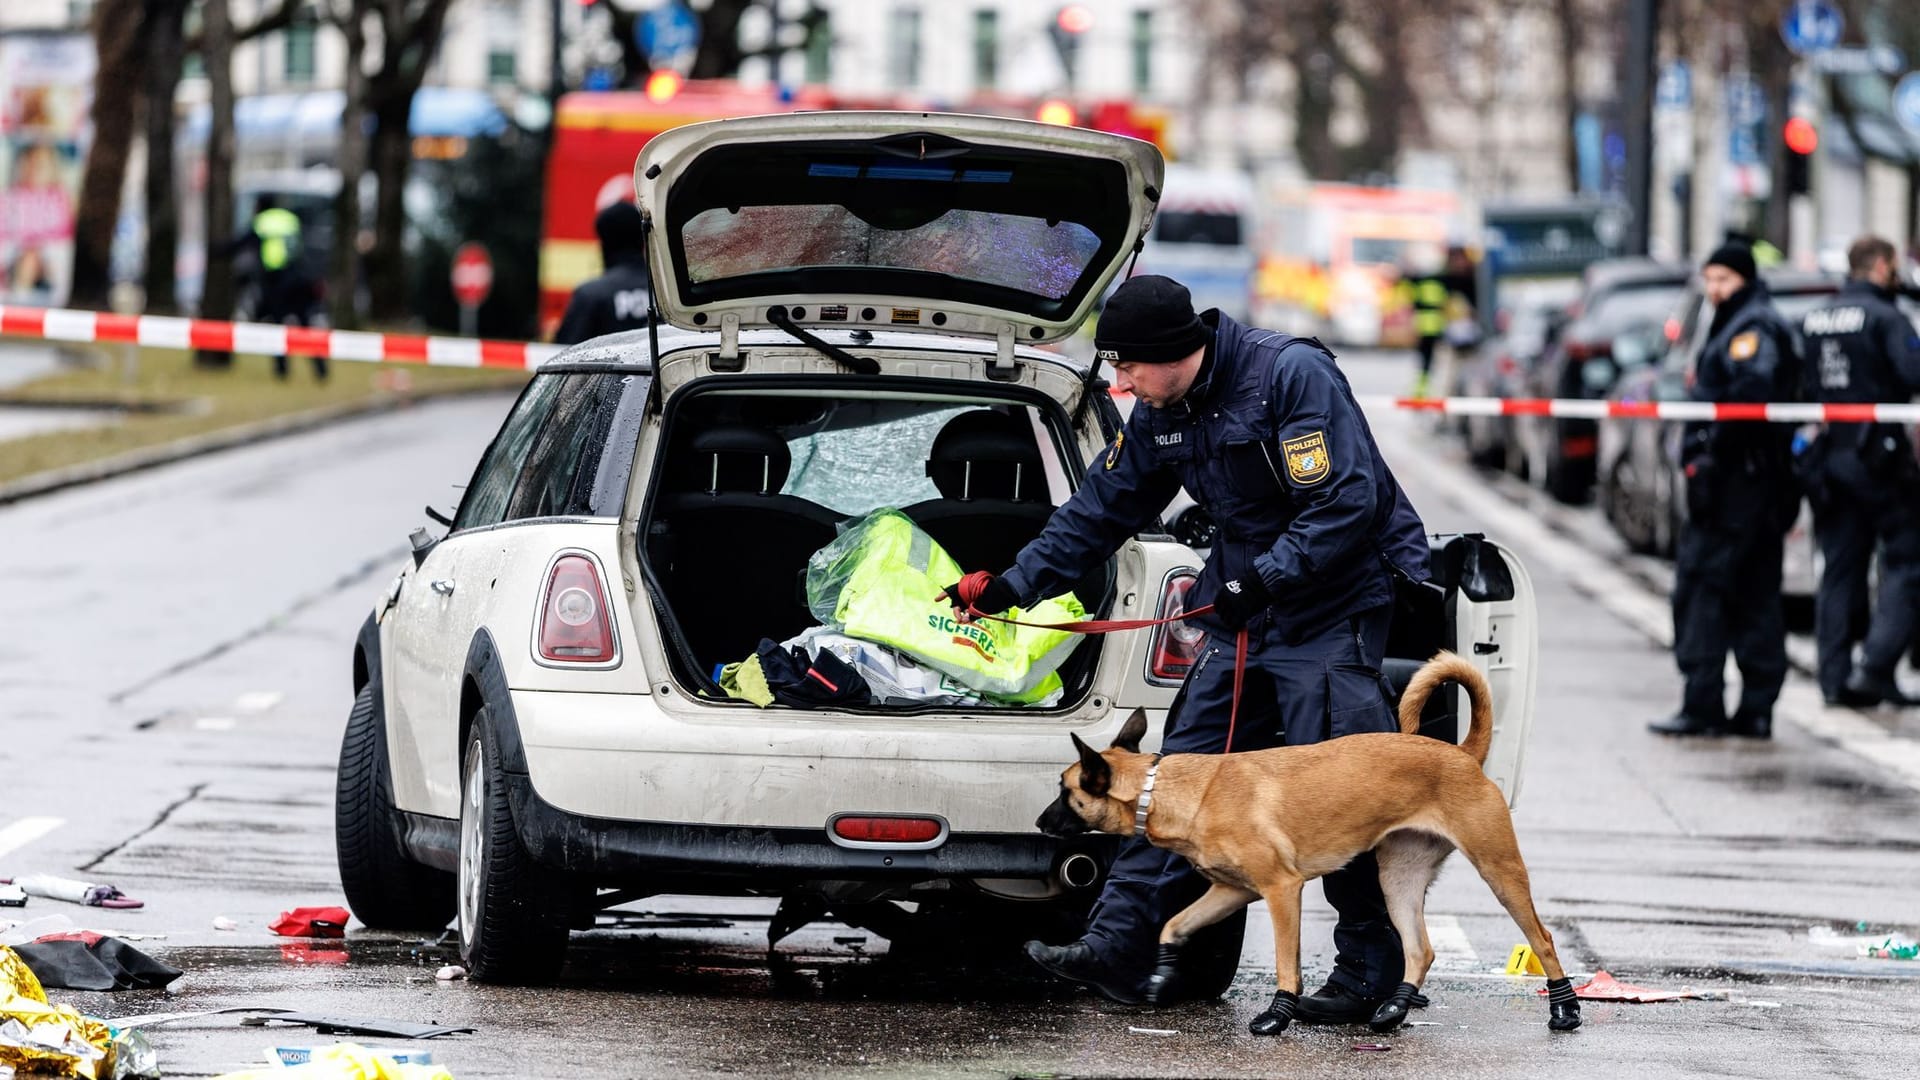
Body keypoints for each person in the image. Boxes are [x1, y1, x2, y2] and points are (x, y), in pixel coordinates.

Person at [945, 274, 1432, 1021]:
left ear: (1176, 352)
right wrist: (1014, 586)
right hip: (1243, 615)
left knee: (1341, 795)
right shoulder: (1161, 409)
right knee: (1164, 784)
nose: (1121, 383)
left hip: (1330, 611)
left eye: (1128, 367)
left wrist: (1263, 580)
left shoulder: (1287, 376)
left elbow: (1346, 501)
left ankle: (1367, 970)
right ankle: (1116, 946)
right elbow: (1102, 507)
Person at [1649, 243, 1799, 738]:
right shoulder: (1742, 321)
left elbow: (1749, 393)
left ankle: (1705, 703)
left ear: (1746, 280)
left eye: (1725, 281)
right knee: (1754, 592)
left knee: (1704, 590)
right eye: (1710, 279)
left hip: (1738, 487)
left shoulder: (1751, 328)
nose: (1715, 290)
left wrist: (1711, 456)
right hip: (1752, 485)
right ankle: (1754, 709)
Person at [1799, 235, 1920, 708]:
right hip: (1879, 459)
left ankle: (1834, 678)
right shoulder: (1886, 317)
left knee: (1840, 568)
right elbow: (1913, 373)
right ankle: (1875, 667)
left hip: (1829, 457)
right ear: (1882, 266)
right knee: (1907, 559)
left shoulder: (1816, 317)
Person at [229, 195, 325, 380]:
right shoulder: (289, 219)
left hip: (277, 283)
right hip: (299, 279)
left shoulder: (263, 222)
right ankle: (320, 369)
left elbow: (241, 244)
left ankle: (282, 370)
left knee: (278, 328)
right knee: (305, 326)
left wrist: (216, 250)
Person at [553, 201, 653, 345]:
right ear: (643, 238)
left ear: (604, 243)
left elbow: (565, 353)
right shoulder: (667, 291)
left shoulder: (591, 295)